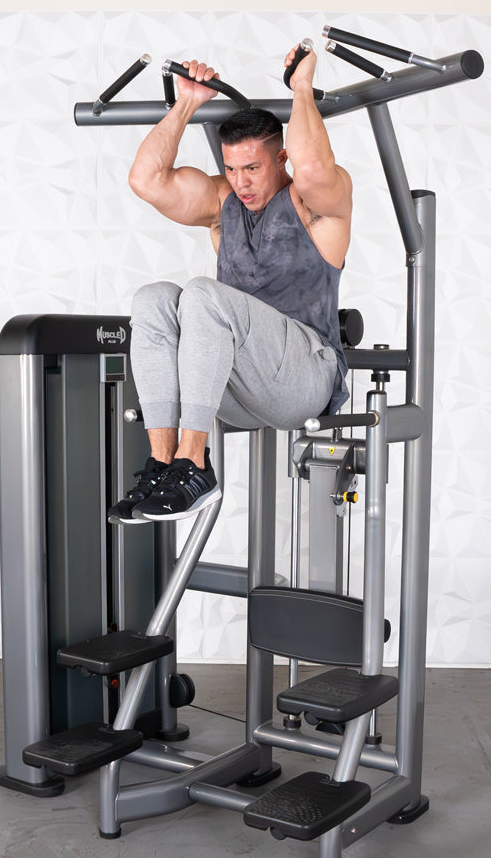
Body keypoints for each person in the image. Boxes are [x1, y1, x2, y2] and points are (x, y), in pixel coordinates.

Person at [108, 44, 353, 524]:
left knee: (202, 294)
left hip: (304, 382)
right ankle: (166, 463)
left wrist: (301, 87)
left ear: (281, 157)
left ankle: (195, 462)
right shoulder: (224, 205)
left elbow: (311, 169)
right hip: (237, 392)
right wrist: (187, 104)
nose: (240, 182)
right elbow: (146, 179)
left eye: (253, 168)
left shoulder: (317, 206)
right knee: (154, 300)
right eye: (232, 168)